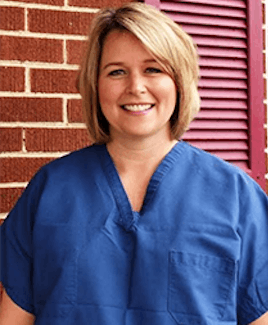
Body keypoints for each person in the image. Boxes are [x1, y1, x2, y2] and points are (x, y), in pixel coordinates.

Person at [0, 2, 267, 325]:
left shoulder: (236, 196)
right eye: (116, 71)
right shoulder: (51, 189)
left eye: (153, 69)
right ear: (95, 86)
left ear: (179, 81)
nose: (135, 87)